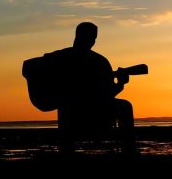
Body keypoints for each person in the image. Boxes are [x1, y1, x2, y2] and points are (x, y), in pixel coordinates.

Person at [54, 22, 136, 152]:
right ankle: (129, 151)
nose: (93, 41)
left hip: (70, 113)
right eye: (92, 38)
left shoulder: (59, 57)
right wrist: (120, 84)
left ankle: (66, 150)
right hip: (92, 113)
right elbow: (106, 95)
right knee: (125, 106)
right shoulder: (99, 61)